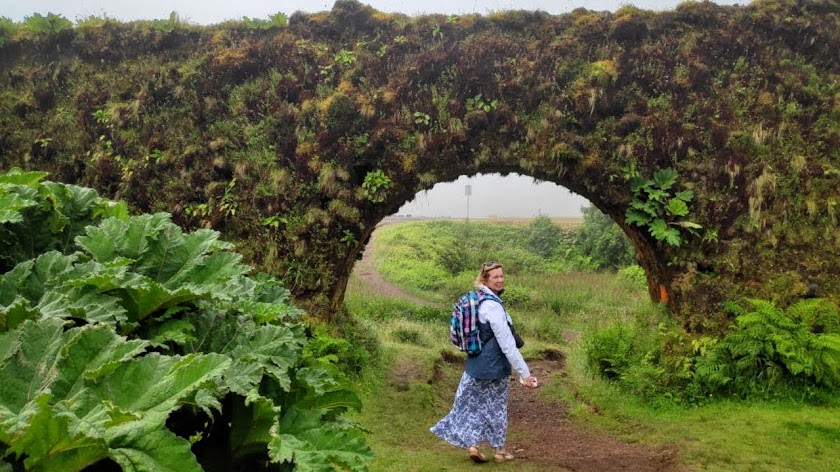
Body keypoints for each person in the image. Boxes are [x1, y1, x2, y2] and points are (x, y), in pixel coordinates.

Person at [430, 261, 539, 464]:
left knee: (471, 406)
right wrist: (525, 374)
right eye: (495, 277)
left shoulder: (478, 301)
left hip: (475, 365)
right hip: (495, 368)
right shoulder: (492, 306)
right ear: (485, 280)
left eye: (501, 275)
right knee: (497, 407)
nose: (500, 279)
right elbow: (507, 345)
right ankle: (499, 452)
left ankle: (474, 446)